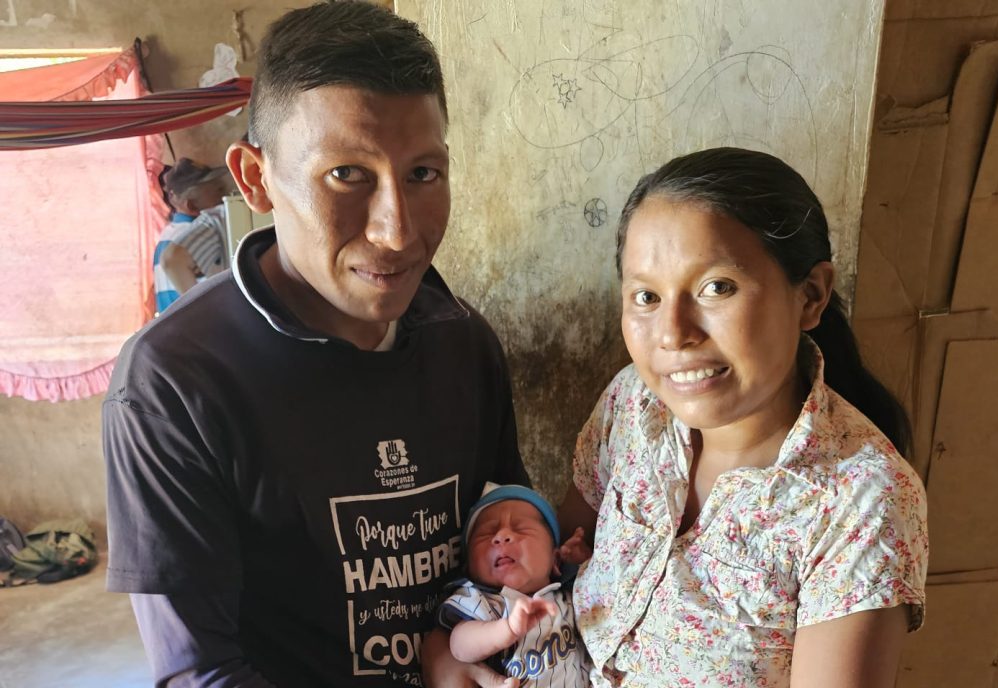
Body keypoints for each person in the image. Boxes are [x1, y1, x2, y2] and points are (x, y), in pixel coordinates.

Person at [103, 2, 529, 686]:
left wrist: (466, 647)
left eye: (423, 174)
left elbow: (508, 550)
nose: (397, 231)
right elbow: (200, 673)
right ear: (255, 178)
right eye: (347, 174)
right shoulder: (177, 381)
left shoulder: (463, 344)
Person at [558, 147, 929, 687]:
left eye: (717, 288)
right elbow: (554, 558)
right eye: (646, 296)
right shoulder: (634, 406)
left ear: (811, 295)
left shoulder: (860, 501)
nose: (673, 334)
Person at [436, 484, 591, 688]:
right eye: (485, 533)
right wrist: (506, 628)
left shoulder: (568, 595)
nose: (501, 535)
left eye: (521, 528)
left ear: (555, 560)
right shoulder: (481, 601)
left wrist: (586, 562)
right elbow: (458, 646)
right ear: (469, 567)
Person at [152, 157, 230, 313]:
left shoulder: (167, 234)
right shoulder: (199, 232)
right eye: (218, 192)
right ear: (192, 205)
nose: (225, 196)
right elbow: (172, 261)